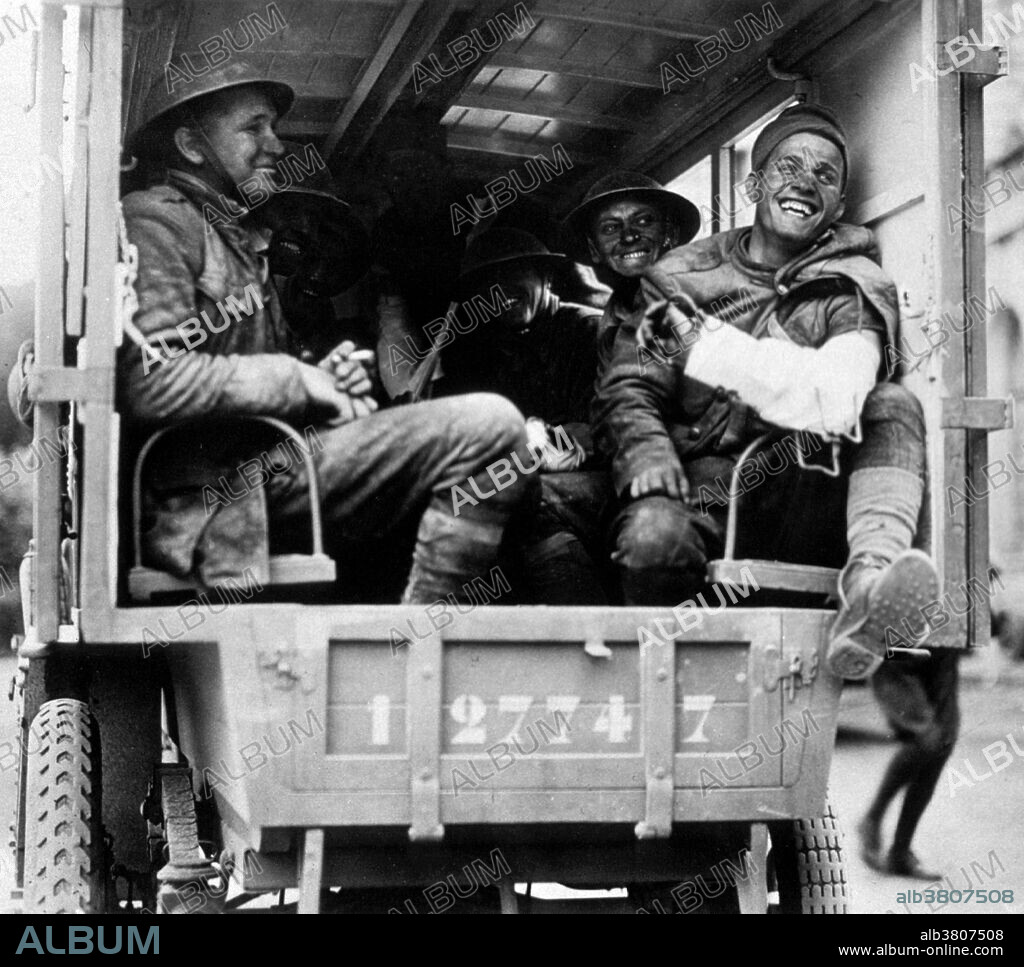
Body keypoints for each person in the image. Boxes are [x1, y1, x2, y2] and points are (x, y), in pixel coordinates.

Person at [119, 61, 533, 604]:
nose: (276, 145)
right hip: (221, 494)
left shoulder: (233, 238)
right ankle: (426, 639)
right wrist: (298, 380)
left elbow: (245, 386)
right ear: (193, 145)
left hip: (264, 472)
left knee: (502, 459)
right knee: (492, 426)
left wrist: (321, 382)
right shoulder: (156, 219)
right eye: (254, 127)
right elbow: (151, 380)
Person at [594, 103, 940, 679]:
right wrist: (646, 450)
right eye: (788, 167)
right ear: (755, 182)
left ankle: (870, 586)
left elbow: (838, 399)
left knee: (891, 404)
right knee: (652, 537)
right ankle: (659, 693)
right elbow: (631, 383)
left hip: (805, 494)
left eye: (825, 175)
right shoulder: (680, 275)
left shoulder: (855, 281)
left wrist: (709, 348)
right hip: (701, 484)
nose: (805, 182)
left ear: (839, 206)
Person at [438, 229, 609, 603]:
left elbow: (609, 428)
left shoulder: (592, 331)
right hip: (532, 476)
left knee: (523, 502)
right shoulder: (489, 352)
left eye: (515, 275)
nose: (500, 290)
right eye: (489, 282)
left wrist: (540, 446)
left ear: (546, 277)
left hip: (605, 483)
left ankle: (581, 634)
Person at [858, 651, 960, 879]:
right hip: (898, 651)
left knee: (944, 741)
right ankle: (873, 818)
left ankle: (900, 852)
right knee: (927, 738)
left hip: (945, 647)